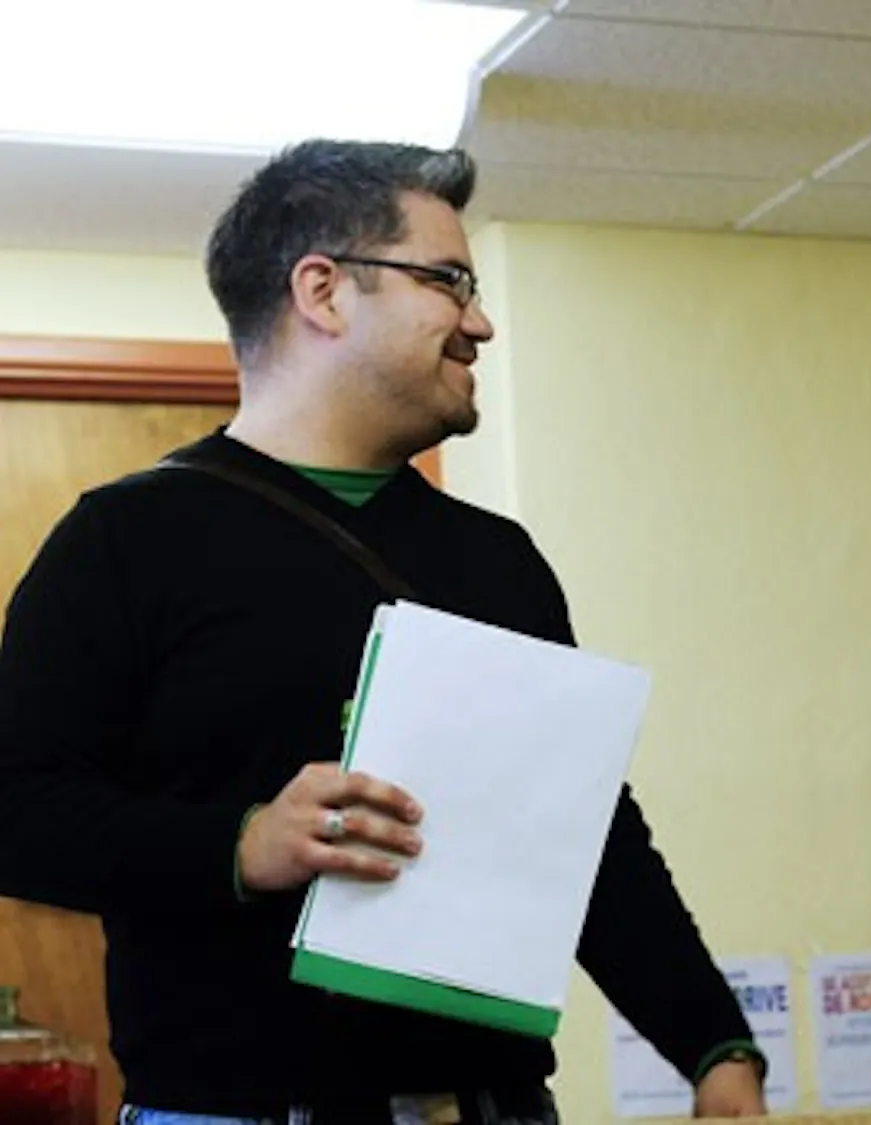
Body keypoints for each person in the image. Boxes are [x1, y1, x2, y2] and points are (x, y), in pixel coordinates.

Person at [0, 140, 767, 1124]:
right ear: (323, 291)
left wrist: (714, 1046)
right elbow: (17, 814)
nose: (480, 322)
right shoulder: (125, 539)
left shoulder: (502, 562)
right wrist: (242, 845)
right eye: (449, 281)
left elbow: (589, 834)